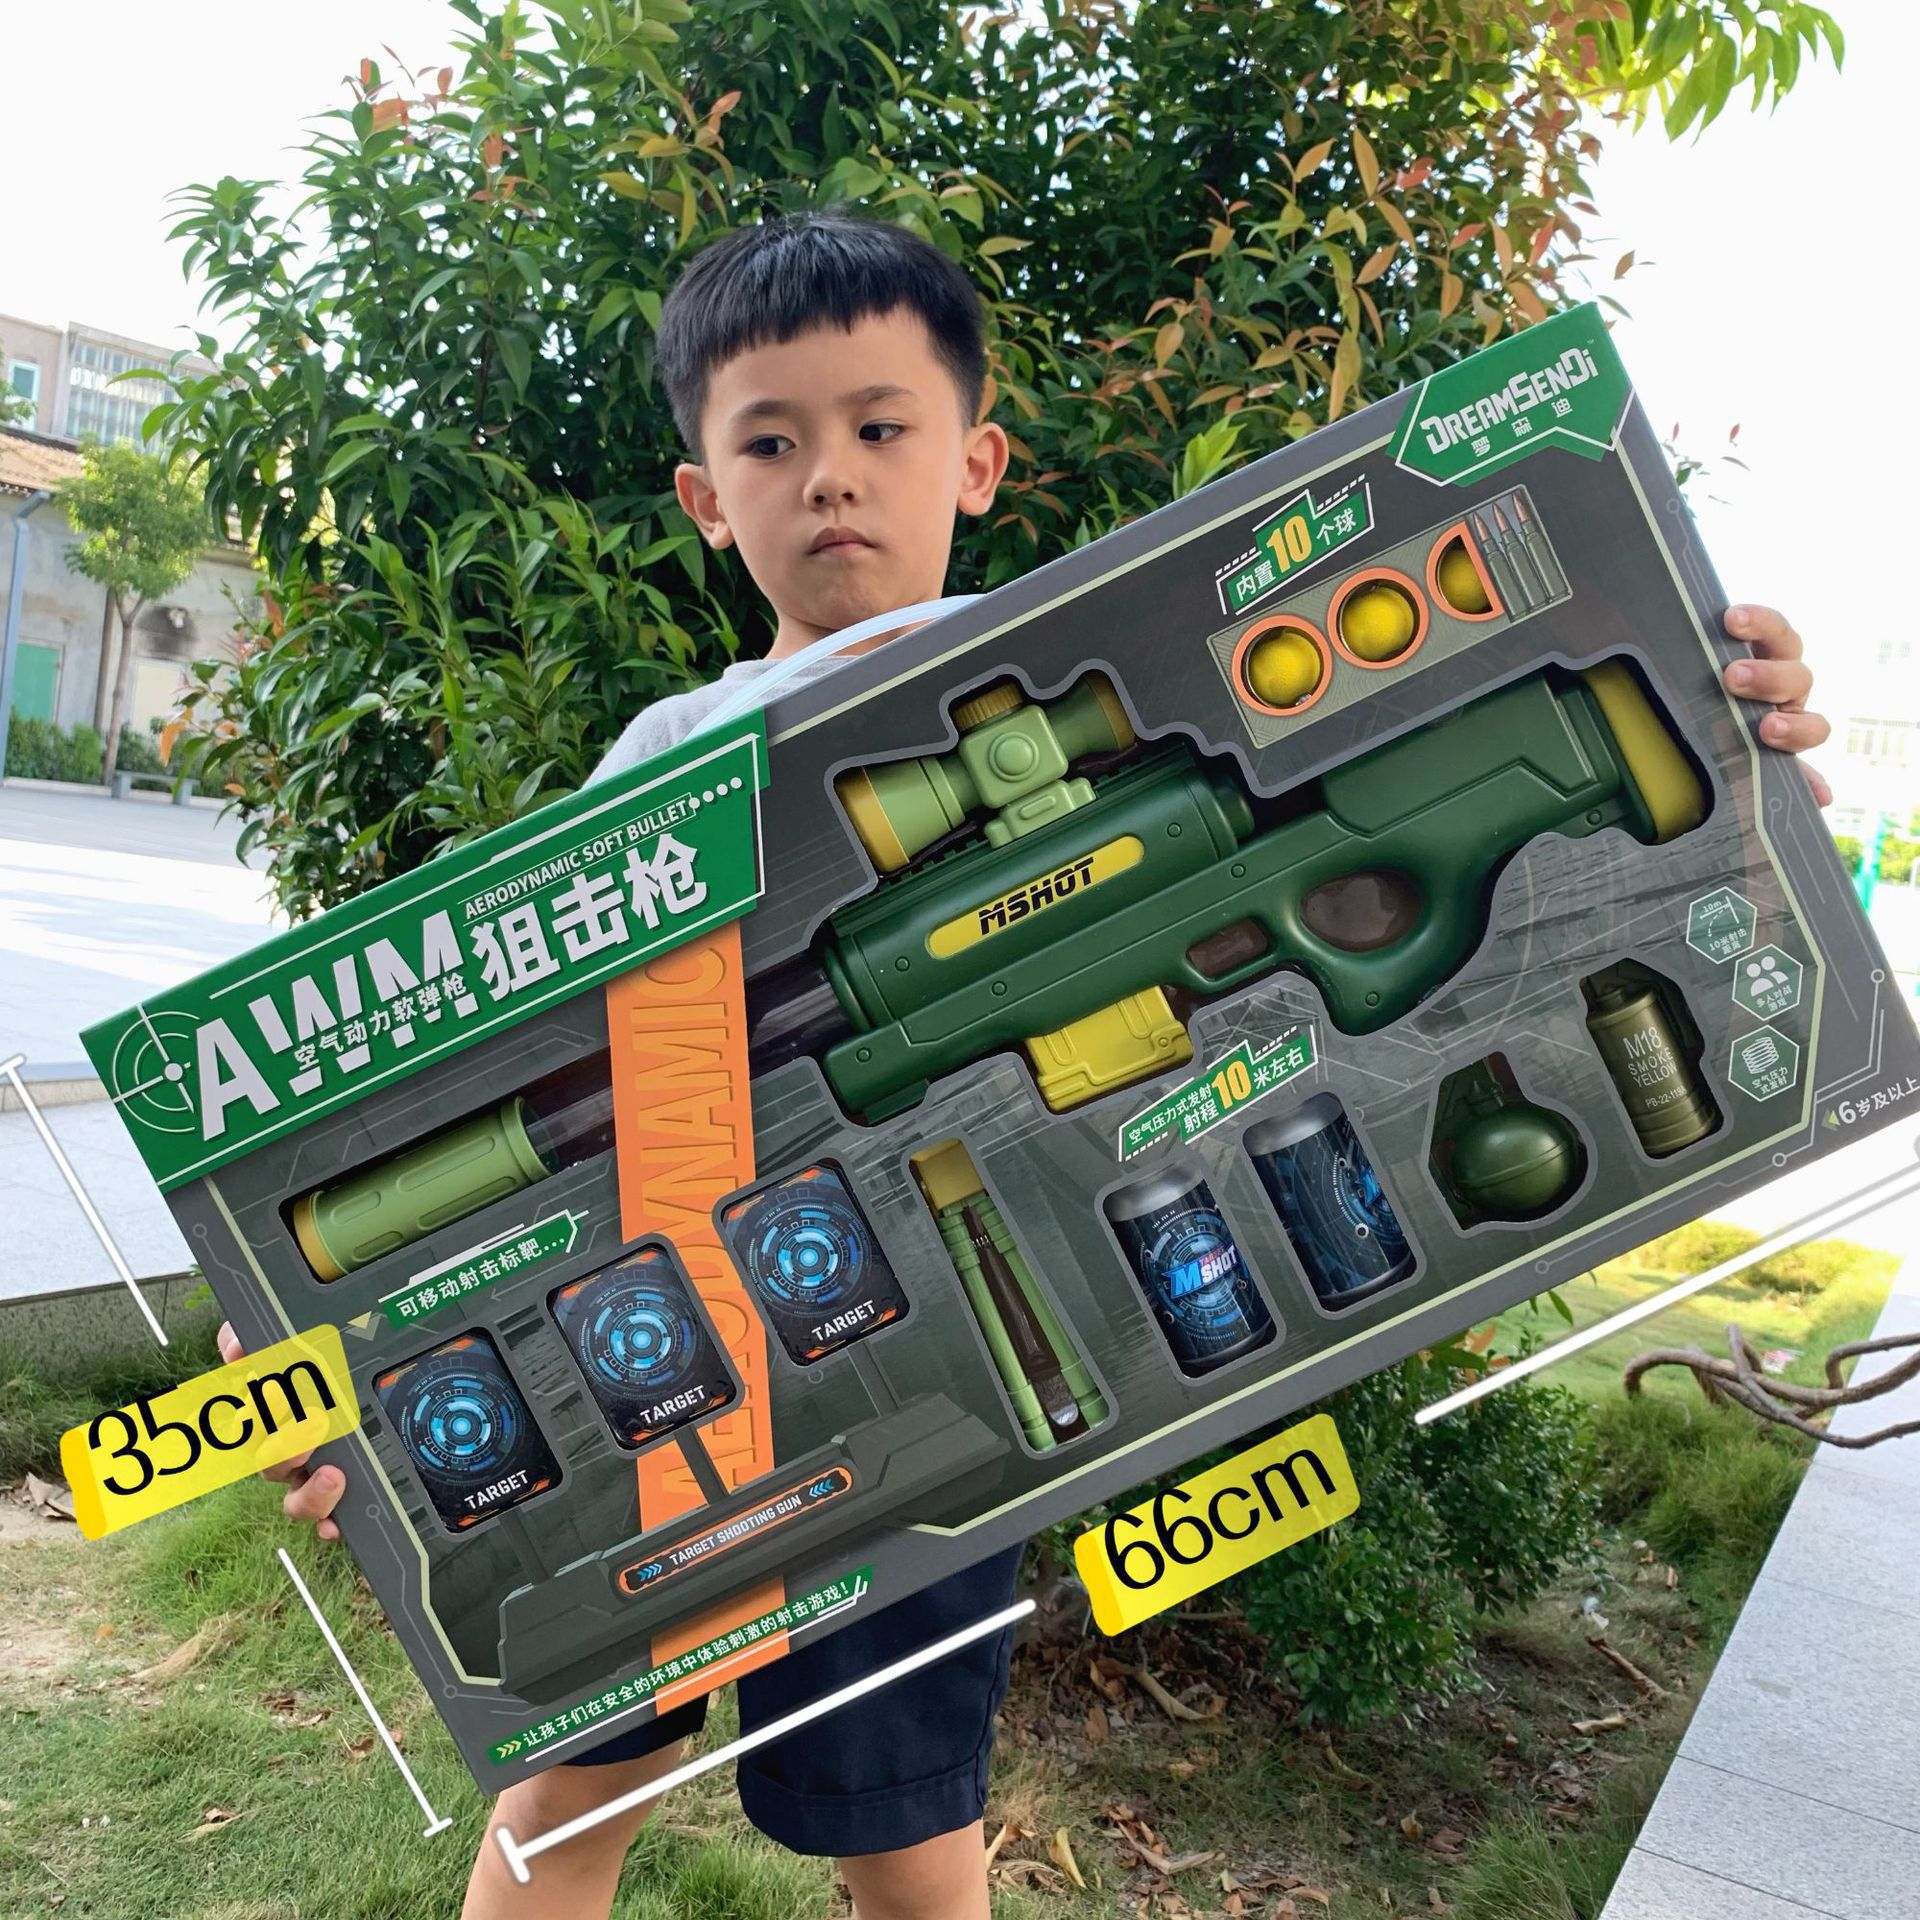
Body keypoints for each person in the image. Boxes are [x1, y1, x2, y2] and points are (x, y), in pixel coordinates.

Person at [218, 208, 1834, 1918]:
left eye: (880, 426)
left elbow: (1597, 758)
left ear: (978, 462)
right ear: (704, 499)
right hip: (691, 1339)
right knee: (568, 1794)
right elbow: (508, 1057)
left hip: (938, 1370)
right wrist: (303, 1325)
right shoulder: (668, 763)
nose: (829, 476)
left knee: (908, 1823)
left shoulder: (1107, 647)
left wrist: (1737, 721)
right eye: (770, 443)